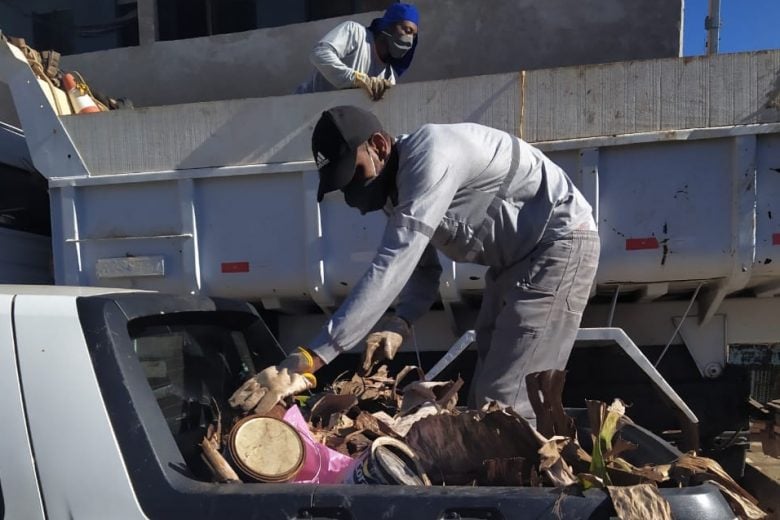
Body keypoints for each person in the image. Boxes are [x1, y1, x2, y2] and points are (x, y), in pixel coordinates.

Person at [230, 106, 600, 424]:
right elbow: (423, 270)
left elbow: (395, 260)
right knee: (486, 390)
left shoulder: (430, 153)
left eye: (355, 174)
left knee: (506, 403)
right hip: (514, 264)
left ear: (379, 145)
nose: (353, 192)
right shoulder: (398, 192)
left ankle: (526, 502)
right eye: (343, 185)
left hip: (556, 247)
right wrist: (401, 322)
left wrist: (310, 357)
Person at [295, 3, 419, 100]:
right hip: (304, 110)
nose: (410, 40)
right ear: (387, 26)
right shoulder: (356, 33)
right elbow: (319, 53)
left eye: (414, 36)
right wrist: (355, 78)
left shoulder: (388, 76)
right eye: (407, 30)